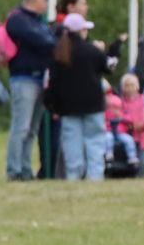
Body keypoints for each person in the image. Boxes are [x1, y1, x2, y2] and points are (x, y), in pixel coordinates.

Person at [0, 0, 55, 181]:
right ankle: (13, 170)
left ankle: (24, 168)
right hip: (24, 78)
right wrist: (49, 41)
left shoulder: (39, 23)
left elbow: (48, 42)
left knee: (32, 129)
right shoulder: (17, 19)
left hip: (41, 78)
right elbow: (41, 41)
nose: (47, 3)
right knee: (21, 126)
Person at [45, 13, 109, 180]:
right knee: (95, 141)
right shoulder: (92, 51)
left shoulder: (59, 53)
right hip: (93, 105)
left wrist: (52, 105)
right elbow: (107, 67)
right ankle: (95, 176)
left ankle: (73, 176)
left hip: (68, 107)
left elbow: (53, 82)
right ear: (81, 30)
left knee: (71, 143)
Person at [107, 73, 144, 174]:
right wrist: (131, 123)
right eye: (126, 85)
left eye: (132, 85)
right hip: (127, 136)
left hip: (142, 137)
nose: (129, 88)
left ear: (137, 86)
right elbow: (118, 116)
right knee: (130, 164)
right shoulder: (120, 102)